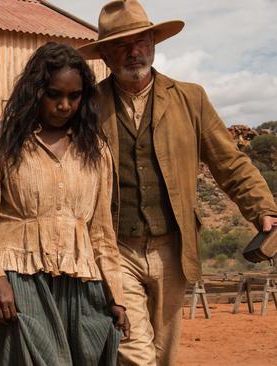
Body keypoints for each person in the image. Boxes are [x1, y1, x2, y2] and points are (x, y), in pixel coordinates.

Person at [77, 1, 277, 365]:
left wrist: (261, 208)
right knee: (134, 350)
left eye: (141, 41)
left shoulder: (190, 98)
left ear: (154, 43)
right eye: (122, 44)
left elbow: (228, 162)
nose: (134, 51)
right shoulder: (88, 105)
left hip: (174, 246)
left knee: (164, 354)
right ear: (105, 55)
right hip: (115, 248)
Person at [0, 42, 130, 366]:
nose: (64, 105)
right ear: (35, 91)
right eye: (54, 94)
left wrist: (117, 297)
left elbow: (102, 233)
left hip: (81, 286)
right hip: (19, 282)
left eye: (74, 96)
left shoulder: (95, 151)